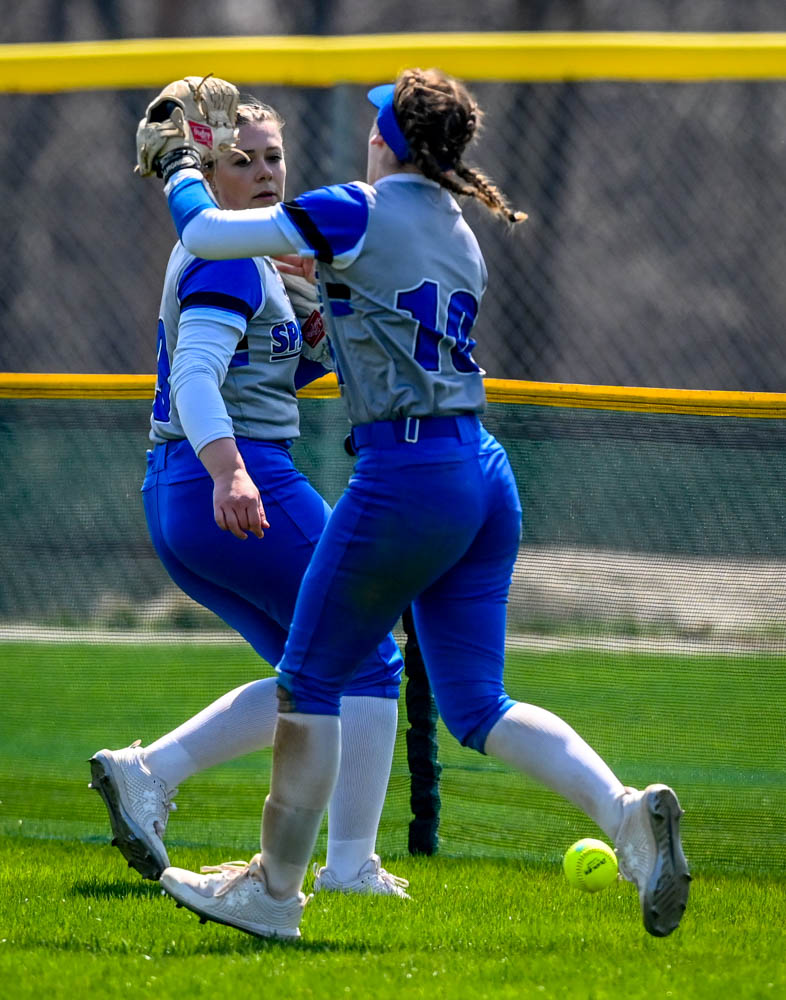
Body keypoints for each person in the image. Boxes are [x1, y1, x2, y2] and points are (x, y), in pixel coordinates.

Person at [143, 68, 691, 940]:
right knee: (478, 704)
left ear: (389, 138)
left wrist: (177, 164)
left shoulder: (356, 206)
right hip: (481, 467)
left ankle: (274, 894)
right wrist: (314, 276)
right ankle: (624, 814)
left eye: (375, 122)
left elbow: (209, 232)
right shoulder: (456, 225)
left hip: (408, 475)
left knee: (313, 679)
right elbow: (363, 313)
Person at [89, 97, 411, 899]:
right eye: (243, 160)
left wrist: (313, 331)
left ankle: (146, 772)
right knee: (370, 654)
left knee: (311, 676)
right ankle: (349, 869)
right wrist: (233, 470)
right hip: (233, 480)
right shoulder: (230, 259)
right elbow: (198, 379)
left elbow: (265, 374)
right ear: (208, 176)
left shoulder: (258, 262)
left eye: (273, 157)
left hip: (183, 493)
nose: (266, 173)